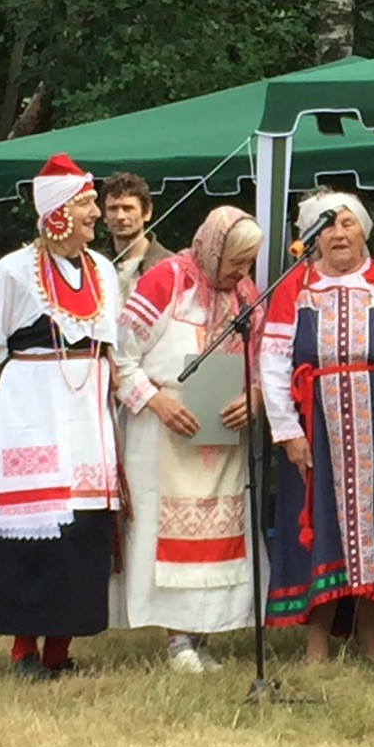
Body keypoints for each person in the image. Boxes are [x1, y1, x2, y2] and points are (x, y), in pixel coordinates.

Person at [0, 153, 121, 681]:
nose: (96, 213)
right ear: (57, 211)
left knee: (80, 529)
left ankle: (61, 650)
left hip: (87, 415)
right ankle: (23, 650)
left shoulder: (102, 271)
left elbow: (111, 343)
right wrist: (25, 387)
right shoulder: (11, 272)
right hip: (32, 405)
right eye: (86, 203)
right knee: (31, 532)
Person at [261, 191, 374, 662]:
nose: (339, 234)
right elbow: (272, 362)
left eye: (348, 224)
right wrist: (288, 431)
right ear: (312, 238)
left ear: (364, 230)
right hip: (318, 427)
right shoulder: (296, 286)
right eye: (327, 226)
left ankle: (370, 637)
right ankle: (318, 640)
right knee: (322, 527)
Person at [111, 206, 265, 673]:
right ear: (211, 248)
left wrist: (254, 396)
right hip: (162, 427)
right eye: (234, 261)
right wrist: (156, 401)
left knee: (217, 531)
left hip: (221, 432)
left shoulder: (245, 293)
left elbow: (261, 359)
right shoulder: (164, 281)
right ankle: (175, 637)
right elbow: (118, 356)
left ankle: (202, 632)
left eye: (248, 262)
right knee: (164, 530)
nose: (241, 272)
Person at [102, 172, 173, 302]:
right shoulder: (94, 266)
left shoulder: (171, 267)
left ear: (147, 213)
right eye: (113, 209)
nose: (120, 216)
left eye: (128, 208)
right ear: (105, 216)